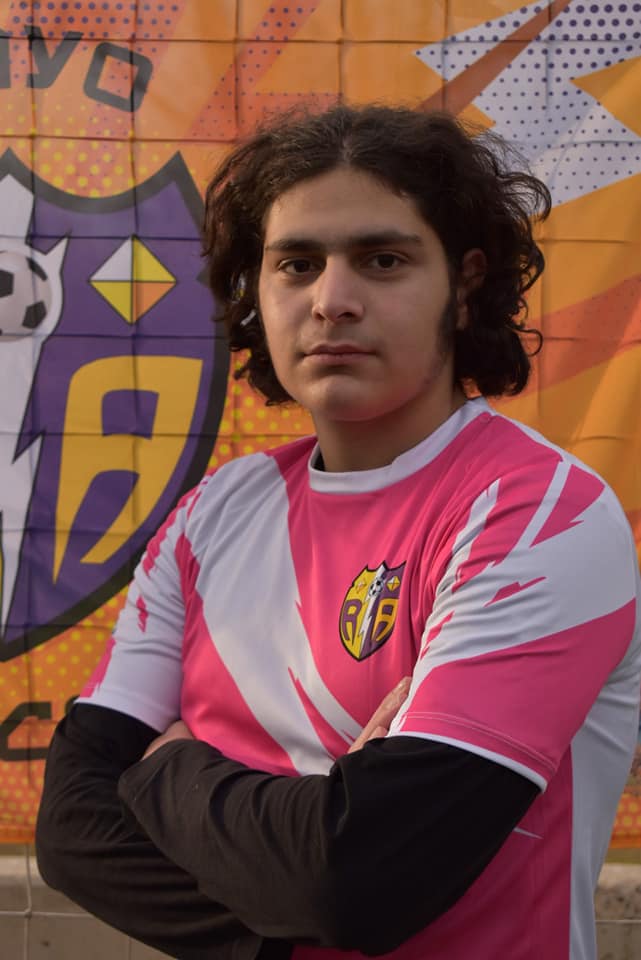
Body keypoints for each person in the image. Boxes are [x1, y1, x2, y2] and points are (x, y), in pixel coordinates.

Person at [36, 104, 641, 960]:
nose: (331, 302)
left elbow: (361, 881)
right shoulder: (212, 513)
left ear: (465, 285)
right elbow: (71, 833)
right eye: (296, 264)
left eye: (382, 260)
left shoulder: (538, 514)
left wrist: (168, 768)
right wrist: (301, 886)